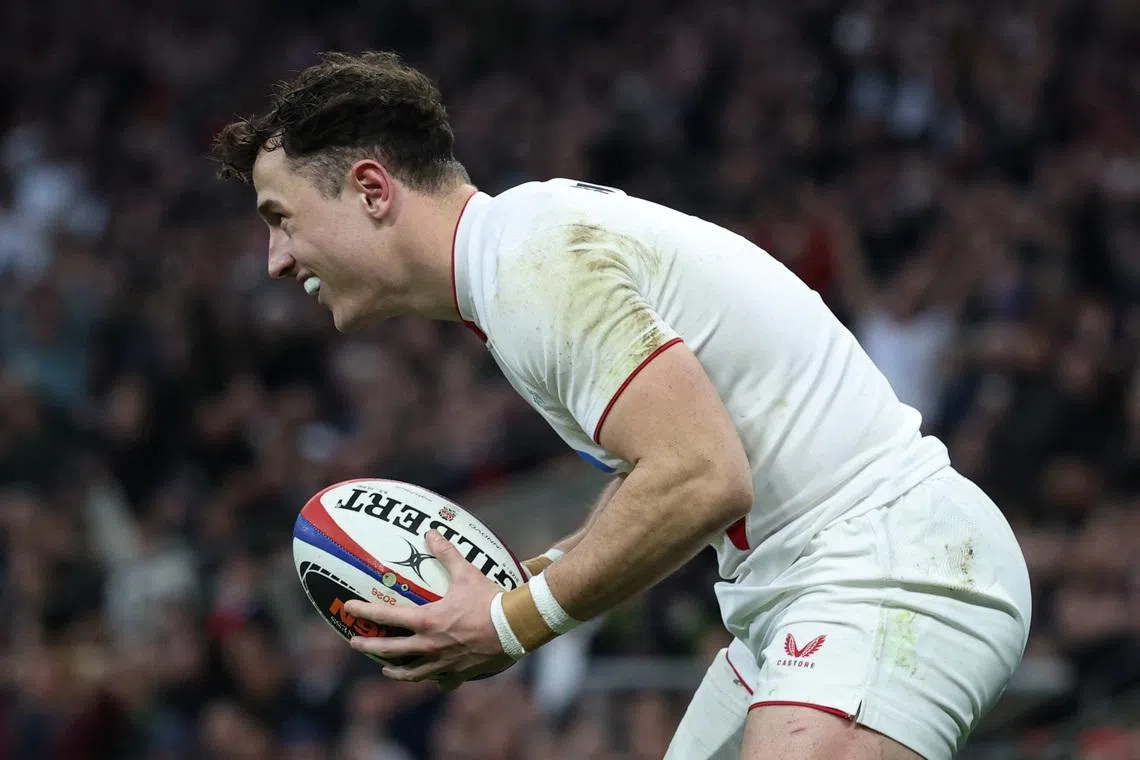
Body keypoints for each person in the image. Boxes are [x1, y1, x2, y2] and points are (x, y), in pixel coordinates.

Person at [212, 51, 1032, 760]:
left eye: (281, 219)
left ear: (370, 189)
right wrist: (528, 578)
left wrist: (510, 622)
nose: (276, 259)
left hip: (887, 566)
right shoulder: (517, 257)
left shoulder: (533, 268)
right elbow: (665, 468)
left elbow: (703, 476)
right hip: (809, 585)